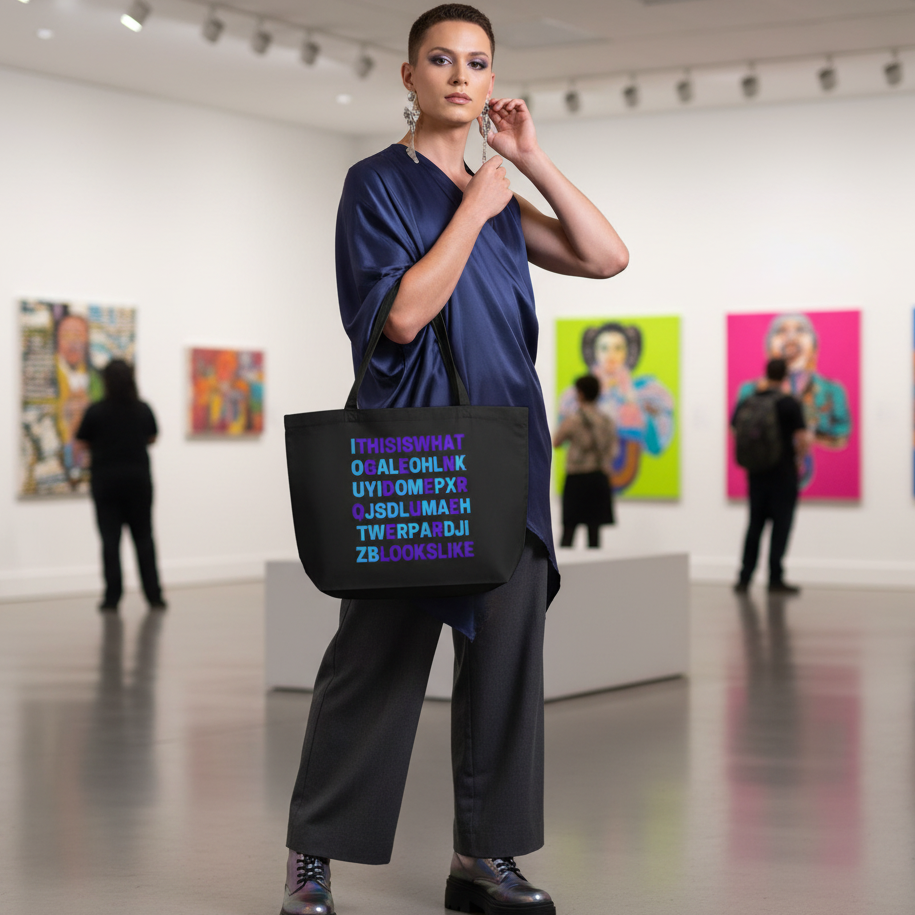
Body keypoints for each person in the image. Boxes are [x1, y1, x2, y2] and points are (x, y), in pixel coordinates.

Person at [279, 6, 628, 915]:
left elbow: (607, 257)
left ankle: (485, 857)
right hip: (417, 453)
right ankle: (312, 857)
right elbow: (399, 315)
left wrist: (530, 162)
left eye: (477, 62)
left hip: (508, 450)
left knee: (507, 662)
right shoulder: (374, 185)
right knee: (376, 662)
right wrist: (476, 207)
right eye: (440, 60)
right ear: (409, 77)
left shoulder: (502, 190)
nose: (461, 77)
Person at [76, 360, 166, 612]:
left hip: (106, 484)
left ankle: (111, 598)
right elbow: (153, 437)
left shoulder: (96, 411)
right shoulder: (142, 408)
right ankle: (154, 595)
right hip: (138, 482)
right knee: (144, 539)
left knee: (110, 541)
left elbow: (81, 441)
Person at [735, 313, 850, 490]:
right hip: (778, 469)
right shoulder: (752, 392)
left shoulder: (832, 391)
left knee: (757, 516)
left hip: (762, 472)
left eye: (800, 330)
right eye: (781, 332)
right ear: (768, 346)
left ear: (814, 345)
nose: (790, 337)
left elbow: (842, 431)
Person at [557, 321, 673, 493]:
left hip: (582, 475)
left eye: (618, 348)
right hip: (600, 476)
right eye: (604, 348)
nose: (611, 355)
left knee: (575, 520)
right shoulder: (604, 419)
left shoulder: (644, 390)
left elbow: (557, 441)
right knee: (595, 520)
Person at [732, 358, 809, 595]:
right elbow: (803, 439)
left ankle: (744, 577)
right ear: (786, 376)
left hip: (757, 474)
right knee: (780, 526)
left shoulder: (748, 401)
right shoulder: (789, 404)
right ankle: (775, 578)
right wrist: (797, 458)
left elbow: (735, 428)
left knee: (755, 525)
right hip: (783, 473)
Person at [553, 374, 618, 548]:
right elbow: (613, 451)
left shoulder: (573, 419)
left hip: (577, 479)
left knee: (568, 531)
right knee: (594, 533)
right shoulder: (607, 421)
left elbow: (556, 442)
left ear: (580, 394)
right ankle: (595, 574)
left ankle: (562, 573)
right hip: (598, 478)